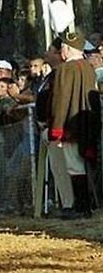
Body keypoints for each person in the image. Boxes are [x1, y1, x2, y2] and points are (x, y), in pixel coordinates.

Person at [48, 32, 101, 218]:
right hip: (87, 125)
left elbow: (60, 101)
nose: (61, 50)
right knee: (82, 165)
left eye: (63, 47)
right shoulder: (88, 68)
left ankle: (82, 208)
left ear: (68, 49)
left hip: (71, 126)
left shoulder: (65, 70)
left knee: (74, 166)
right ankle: (85, 206)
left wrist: (57, 129)